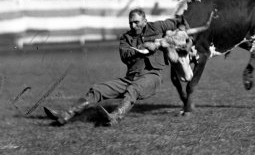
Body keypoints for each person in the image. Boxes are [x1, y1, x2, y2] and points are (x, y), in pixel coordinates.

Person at [43, 9, 185, 126]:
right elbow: (125, 55)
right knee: (97, 89)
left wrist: (176, 34)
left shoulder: (158, 26)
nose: (133, 26)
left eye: (137, 22)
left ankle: (115, 116)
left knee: (133, 89)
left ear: (145, 21)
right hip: (130, 78)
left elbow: (179, 21)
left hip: (152, 76)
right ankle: (67, 114)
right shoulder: (125, 38)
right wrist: (143, 46)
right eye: (131, 23)